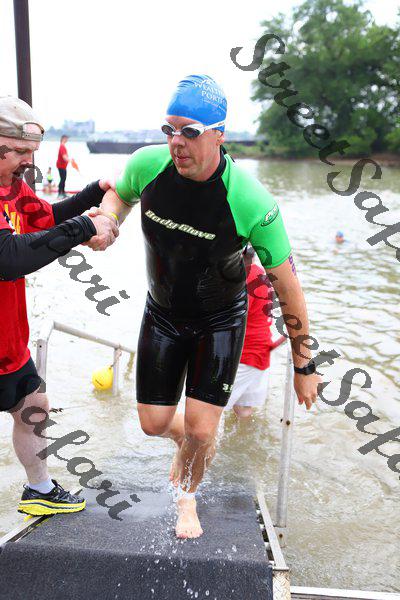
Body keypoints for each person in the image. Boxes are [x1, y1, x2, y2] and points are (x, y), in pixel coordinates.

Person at [89, 74, 321, 539]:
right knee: (154, 423)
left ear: (219, 134)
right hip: (162, 313)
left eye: (190, 132)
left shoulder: (250, 200)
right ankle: (192, 438)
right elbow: (120, 193)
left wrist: (304, 364)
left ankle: (187, 497)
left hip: (220, 321)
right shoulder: (148, 164)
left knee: (200, 429)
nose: (177, 142)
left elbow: (289, 290)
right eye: (169, 129)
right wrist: (109, 219)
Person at [0, 96, 119, 516]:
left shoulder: (12, 186)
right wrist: (84, 227)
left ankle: (39, 489)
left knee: (33, 406)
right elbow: (8, 258)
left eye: (32, 152)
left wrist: (93, 193)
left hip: (8, 342)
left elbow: (45, 219)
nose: (29, 162)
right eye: (21, 151)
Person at [224, 245, 285, 418]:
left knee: (210, 410)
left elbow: (230, 321)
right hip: (261, 350)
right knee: (243, 410)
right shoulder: (259, 273)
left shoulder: (243, 278)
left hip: (245, 355)